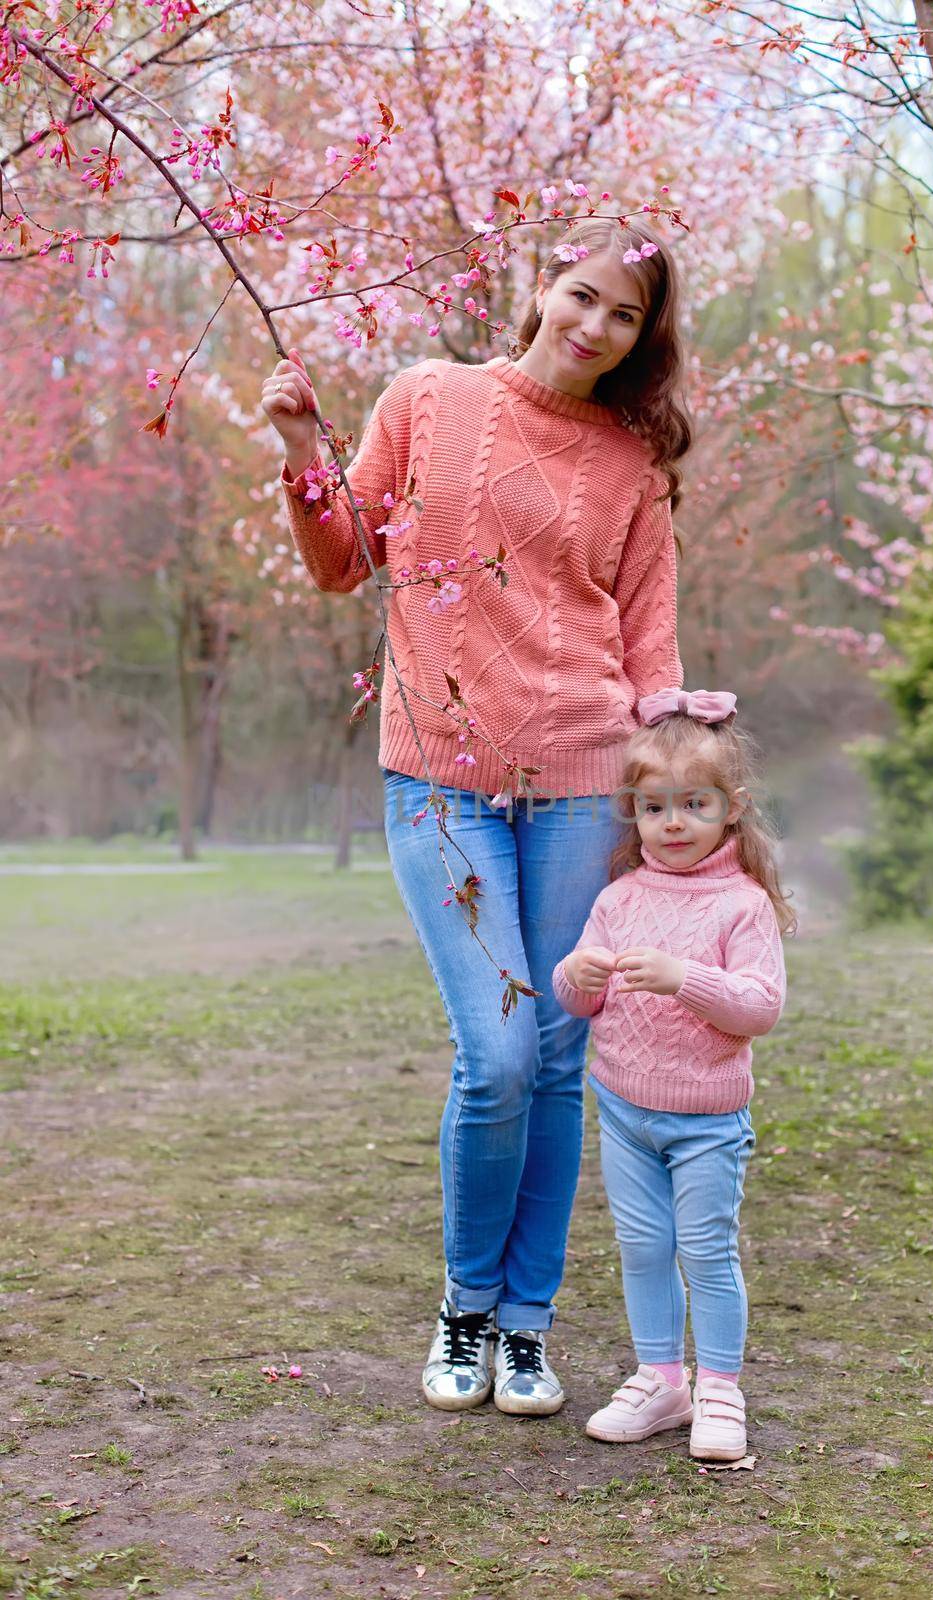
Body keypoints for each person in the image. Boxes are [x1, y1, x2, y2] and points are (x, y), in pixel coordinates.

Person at [260, 214, 692, 1417]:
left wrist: (677, 734)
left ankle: (525, 1327)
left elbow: (647, 644)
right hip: (438, 780)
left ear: (639, 339)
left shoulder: (630, 468)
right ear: (538, 288)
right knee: (496, 1052)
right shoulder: (429, 398)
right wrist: (303, 445)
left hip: (578, 779)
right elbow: (342, 559)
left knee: (556, 1058)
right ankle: (462, 1304)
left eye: (623, 315)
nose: (594, 326)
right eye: (581, 295)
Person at [552, 688, 794, 1459]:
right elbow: (577, 1003)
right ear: (635, 811)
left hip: (707, 1120)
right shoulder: (619, 898)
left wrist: (682, 977)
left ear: (732, 807)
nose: (674, 823)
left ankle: (720, 1389)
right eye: (655, 808)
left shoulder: (742, 906)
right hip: (624, 1109)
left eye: (694, 804)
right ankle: (661, 1380)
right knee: (644, 1248)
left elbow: (758, 1006)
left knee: (705, 1250)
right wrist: (577, 972)